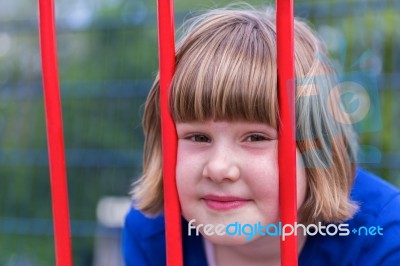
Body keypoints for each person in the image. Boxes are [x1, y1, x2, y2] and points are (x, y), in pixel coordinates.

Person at [122, 5, 400, 266]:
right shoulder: (152, 234)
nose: (219, 168)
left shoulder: (384, 235)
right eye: (198, 137)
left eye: (256, 137)